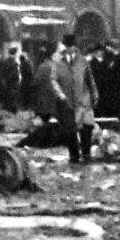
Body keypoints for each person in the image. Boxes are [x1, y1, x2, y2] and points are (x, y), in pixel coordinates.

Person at [52, 33, 98, 163]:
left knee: (86, 128)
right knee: (69, 130)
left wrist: (94, 94)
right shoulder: (58, 63)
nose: (70, 49)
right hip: (67, 102)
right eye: (68, 47)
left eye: (72, 47)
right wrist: (59, 93)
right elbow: (53, 80)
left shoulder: (83, 61)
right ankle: (74, 156)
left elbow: (90, 79)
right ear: (65, 47)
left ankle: (86, 154)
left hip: (83, 100)